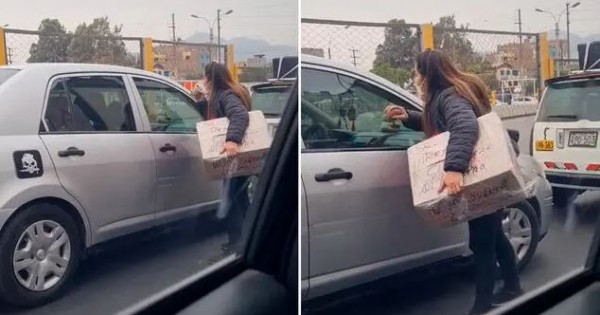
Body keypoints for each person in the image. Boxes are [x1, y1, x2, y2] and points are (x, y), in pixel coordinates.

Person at [385, 50, 523, 315]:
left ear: (427, 74)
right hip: (486, 175)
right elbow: (445, 123)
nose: (415, 77)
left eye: (416, 72)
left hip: (476, 176)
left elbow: (463, 126)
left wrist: (454, 169)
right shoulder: (454, 91)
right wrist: (410, 117)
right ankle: (513, 288)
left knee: (482, 243)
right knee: (494, 237)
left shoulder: (449, 96)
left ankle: (483, 307)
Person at [193, 62, 252, 253]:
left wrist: (232, 140)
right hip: (241, 156)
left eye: (204, 77)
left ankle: (236, 244)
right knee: (240, 198)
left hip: (232, 155)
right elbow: (217, 120)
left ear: (209, 78)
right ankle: (249, 239)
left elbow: (239, 115)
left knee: (230, 201)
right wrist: (202, 101)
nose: (203, 81)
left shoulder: (225, 95)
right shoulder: (234, 91)